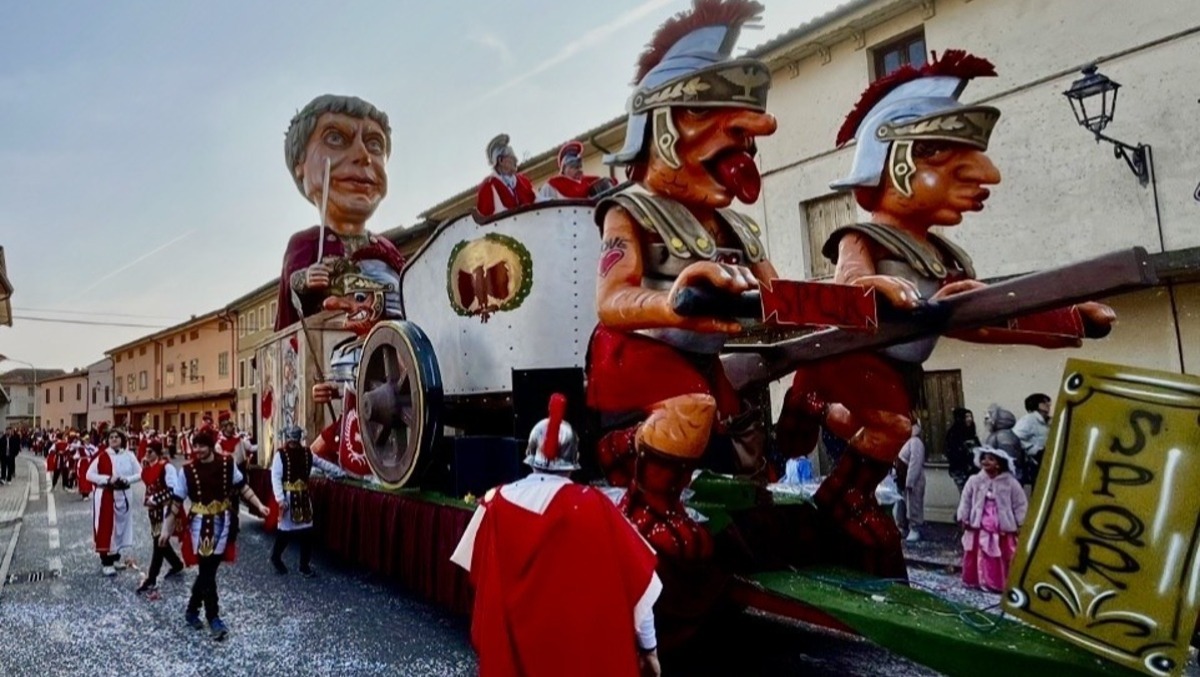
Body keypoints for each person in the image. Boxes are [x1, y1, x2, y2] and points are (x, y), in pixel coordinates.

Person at [775, 50, 1114, 574]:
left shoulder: (943, 256)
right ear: (899, 166)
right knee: (891, 428)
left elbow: (979, 314)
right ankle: (835, 478)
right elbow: (848, 288)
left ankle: (826, 439)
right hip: (853, 354)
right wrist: (876, 285)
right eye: (948, 161)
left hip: (899, 365)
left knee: (895, 427)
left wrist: (1067, 319)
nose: (986, 176)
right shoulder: (860, 235)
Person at [586, 0, 779, 560]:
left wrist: (862, 303)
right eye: (706, 116)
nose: (745, 141)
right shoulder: (629, 209)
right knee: (692, 411)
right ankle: (648, 500)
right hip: (637, 351)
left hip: (705, 357)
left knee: (745, 429)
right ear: (663, 129)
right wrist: (675, 301)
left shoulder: (736, 225)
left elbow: (778, 296)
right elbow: (612, 298)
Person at [451, 394, 662, 677]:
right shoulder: (597, 506)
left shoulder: (495, 503)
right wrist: (650, 650)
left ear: (529, 457)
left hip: (515, 658)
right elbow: (639, 586)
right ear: (573, 463)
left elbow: (478, 578)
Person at [275, 94, 405, 331]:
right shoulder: (306, 243)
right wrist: (307, 277)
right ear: (300, 166)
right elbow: (294, 284)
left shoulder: (387, 250)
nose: (363, 156)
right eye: (335, 138)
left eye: (374, 143)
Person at [162, 428, 270, 641]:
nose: (198, 450)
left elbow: (242, 488)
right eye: (195, 446)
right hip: (200, 525)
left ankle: (192, 609)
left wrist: (260, 505)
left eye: (202, 445)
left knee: (209, 570)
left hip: (223, 522)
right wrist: (166, 529)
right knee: (207, 569)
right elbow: (176, 502)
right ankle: (213, 617)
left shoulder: (227, 464)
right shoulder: (187, 471)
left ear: (210, 446)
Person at [270, 425, 344, 576]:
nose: (293, 442)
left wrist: (340, 472)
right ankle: (275, 558)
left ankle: (304, 566)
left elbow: (323, 464)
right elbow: (275, 477)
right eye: (292, 438)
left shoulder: (306, 453)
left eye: (296, 438)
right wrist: (280, 498)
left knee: (307, 534)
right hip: (288, 499)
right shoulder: (280, 455)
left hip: (303, 498)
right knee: (284, 533)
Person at [956, 445, 1027, 592]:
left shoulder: (1010, 483)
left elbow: (1020, 503)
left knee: (1003, 554)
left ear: (999, 463)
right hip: (980, 523)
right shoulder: (975, 480)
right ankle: (979, 579)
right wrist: (963, 516)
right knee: (980, 551)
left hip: (1002, 526)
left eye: (991, 459)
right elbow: (966, 499)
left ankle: (999, 581)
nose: (986, 461)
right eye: (984, 458)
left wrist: (1021, 522)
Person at [86, 430, 144, 576]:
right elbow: (89, 475)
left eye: (116, 437)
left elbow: (140, 473)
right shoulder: (102, 456)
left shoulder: (129, 456)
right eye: (111, 437)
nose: (113, 439)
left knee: (120, 528)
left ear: (122, 439)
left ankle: (115, 557)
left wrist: (127, 480)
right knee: (106, 527)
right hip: (106, 494)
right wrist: (107, 479)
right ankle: (106, 561)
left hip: (123, 495)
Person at [136, 440, 184, 593]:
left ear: (157, 452)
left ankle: (152, 578)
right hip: (154, 511)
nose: (147, 454)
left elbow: (173, 488)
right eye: (146, 451)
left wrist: (155, 498)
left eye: (150, 452)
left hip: (166, 509)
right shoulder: (147, 468)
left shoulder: (167, 467)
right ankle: (176, 564)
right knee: (159, 539)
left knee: (159, 543)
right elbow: (140, 479)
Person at [475, 133, 535, 217]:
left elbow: (538, 201)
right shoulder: (488, 186)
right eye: (512, 157)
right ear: (500, 160)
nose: (516, 160)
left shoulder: (523, 181)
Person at [536, 141, 613, 201]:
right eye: (574, 166)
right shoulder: (552, 185)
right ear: (564, 169)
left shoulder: (593, 183)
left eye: (580, 166)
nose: (579, 169)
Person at [894, 422, 926, 543]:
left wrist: (910, 481)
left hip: (914, 480)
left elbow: (915, 463)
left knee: (914, 504)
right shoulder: (906, 441)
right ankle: (903, 526)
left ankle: (915, 528)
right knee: (903, 503)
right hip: (903, 478)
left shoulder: (915, 442)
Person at [1012, 393, 1051, 489]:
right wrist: (1034, 450)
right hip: (1036, 461)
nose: (1048, 405)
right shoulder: (1029, 419)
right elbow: (1015, 437)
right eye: (1044, 402)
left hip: (1046, 459)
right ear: (1037, 404)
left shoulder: (1046, 421)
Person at [983, 404, 1024, 482]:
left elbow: (1008, 459)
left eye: (988, 418)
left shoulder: (1003, 436)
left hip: (1005, 477)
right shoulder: (1002, 434)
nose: (986, 421)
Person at [944, 407, 981, 493]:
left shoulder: (971, 432)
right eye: (966, 417)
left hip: (974, 471)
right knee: (966, 495)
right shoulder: (954, 434)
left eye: (970, 416)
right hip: (960, 471)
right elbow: (953, 454)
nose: (969, 419)